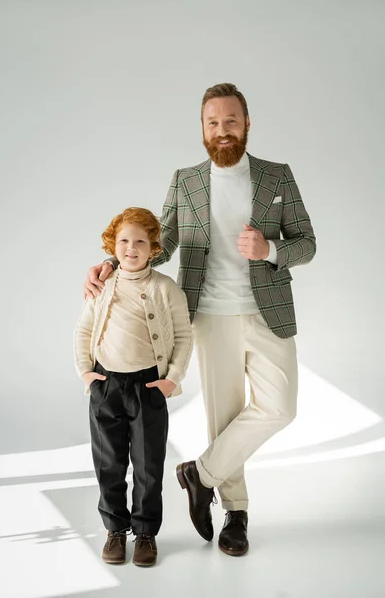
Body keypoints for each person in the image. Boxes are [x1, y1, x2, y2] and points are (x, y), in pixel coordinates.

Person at [83, 83, 316, 557]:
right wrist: (110, 261)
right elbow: (159, 244)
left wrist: (269, 250)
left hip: (267, 312)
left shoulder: (278, 177)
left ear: (247, 124)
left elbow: (307, 242)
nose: (222, 130)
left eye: (231, 121)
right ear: (203, 129)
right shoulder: (186, 180)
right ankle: (236, 513)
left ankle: (199, 474)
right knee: (225, 417)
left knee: (281, 407)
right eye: (213, 123)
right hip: (207, 316)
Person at [74, 207, 193, 567]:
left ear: (154, 247)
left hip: (148, 387)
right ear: (113, 245)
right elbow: (83, 331)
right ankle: (115, 530)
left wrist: (172, 380)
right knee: (109, 464)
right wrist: (85, 372)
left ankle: (145, 534)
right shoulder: (102, 286)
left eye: (140, 241)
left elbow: (185, 336)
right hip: (106, 385)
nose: (131, 247)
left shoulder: (165, 288)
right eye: (124, 240)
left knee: (147, 466)